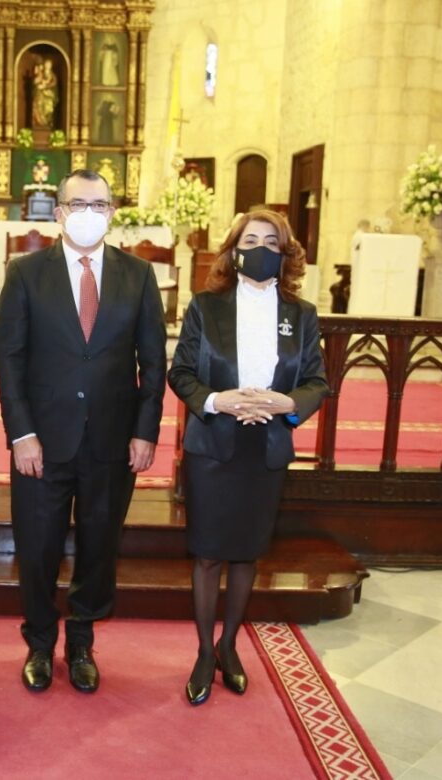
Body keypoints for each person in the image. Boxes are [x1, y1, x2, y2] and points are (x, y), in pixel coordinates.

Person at [0, 169, 167, 693]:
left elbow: (153, 362)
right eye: (78, 204)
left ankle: (83, 640)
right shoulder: (25, 273)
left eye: (100, 204)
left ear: (112, 211)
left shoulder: (138, 275)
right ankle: (40, 643)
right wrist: (21, 433)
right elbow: (9, 358)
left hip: (112, 441)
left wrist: (145, 431)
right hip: (42, 443)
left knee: (99, 545)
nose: (89, 213)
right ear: (60, 212)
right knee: (39, 546)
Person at [167, 208, 328, 706]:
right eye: (251, 239)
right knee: (210, 553)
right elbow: (182, 373)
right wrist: (220, 401)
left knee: (246, 553)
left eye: (271, 242)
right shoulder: (206, 307)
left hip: (267, 447)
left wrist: (287, 405)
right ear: (234, 249)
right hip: (214, 445)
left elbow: (316, 382)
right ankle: (202, 653)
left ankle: (230, 645)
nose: (260, 249)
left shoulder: (299, 316)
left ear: (284, 255)